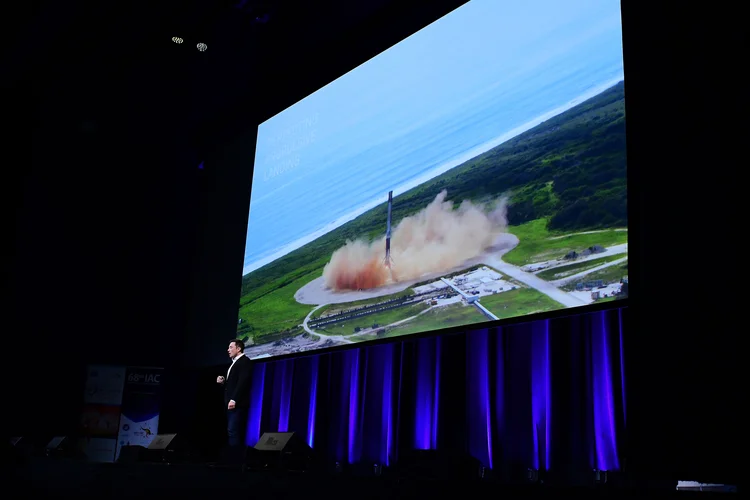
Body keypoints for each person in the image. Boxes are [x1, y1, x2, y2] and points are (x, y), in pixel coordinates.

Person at [216, 339, 252, 450]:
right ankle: (234, 457)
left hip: (237, 403)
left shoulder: (244, 361)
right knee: (231, 431)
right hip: (231, 403)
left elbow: (243, 382)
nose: (228, 350)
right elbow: (233, 382)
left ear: (239, 348)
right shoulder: (235, 362)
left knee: (234, 431)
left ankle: (236, 459)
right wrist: (223, 382)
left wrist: (234, 399)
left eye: (231, 347)